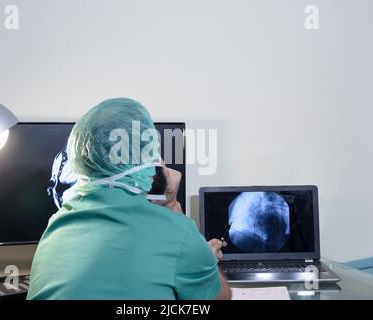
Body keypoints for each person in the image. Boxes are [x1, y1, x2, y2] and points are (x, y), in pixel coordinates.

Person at [27, 98, 231, 300]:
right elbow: (220, 298)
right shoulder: (177, 232)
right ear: (149, 162)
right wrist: (205, 261)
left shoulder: (55, 226)